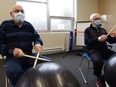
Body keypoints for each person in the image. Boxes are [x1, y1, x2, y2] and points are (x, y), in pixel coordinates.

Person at [0, 4, 51, 86]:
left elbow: (36, 37)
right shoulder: (5, 26)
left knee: (49, 63)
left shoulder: (29, 25)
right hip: (13, 58)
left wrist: (38, 43)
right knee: (14, 72)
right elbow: (1, 45)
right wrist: (12, 51)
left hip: (29, 56)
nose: (20, 13)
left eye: (22, 11)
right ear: (11, 14)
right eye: (17, 11)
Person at [84, 13, 116, 87]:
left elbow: (110, 40)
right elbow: (87, 42)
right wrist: (98, 39)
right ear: (91, 21)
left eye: (99, 19)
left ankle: (106, 76)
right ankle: (98, 78)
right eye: (96, 19)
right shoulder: (87, 30)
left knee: (115, 57)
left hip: (104, 49)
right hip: (93, 50)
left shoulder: (103, 30)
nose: (98, 20)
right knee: (98, 61)